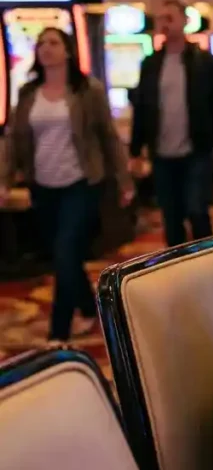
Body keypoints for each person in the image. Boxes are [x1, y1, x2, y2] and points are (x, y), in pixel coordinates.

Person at [0, 28, 134, 341]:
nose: (45, 48)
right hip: (42, 185)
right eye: (41, 43)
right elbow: (15, 140)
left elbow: (108, 137)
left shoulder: (88, 90)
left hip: (81, 182)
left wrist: (124, 179)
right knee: (65, 256)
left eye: (53, 42)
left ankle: (57, 333)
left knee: (64, 252)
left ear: (68, 50)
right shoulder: (29, 92)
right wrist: (4, 180)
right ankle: (88, 307)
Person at [129, 0, 213, 247]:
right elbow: (142, 108)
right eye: (161, 18)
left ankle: (208, 260)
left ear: (185, 21)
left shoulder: (204, 62)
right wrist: (135, 150)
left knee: (197, 210)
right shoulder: (151, 64)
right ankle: (177, 264)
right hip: (162, 153)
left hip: (197, 149)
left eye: (170, 18)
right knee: (171, 216)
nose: (165, 23)